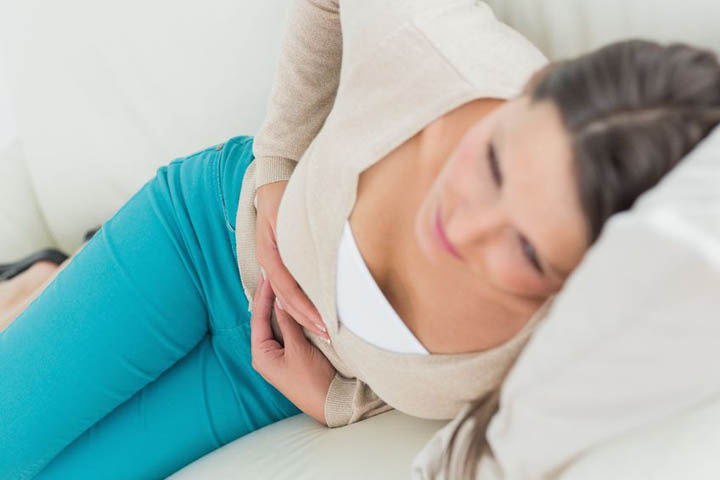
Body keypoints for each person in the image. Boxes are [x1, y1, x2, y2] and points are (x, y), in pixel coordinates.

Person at [1, 1, 719, 479]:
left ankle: (49, 275)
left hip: (261, 379)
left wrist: (344, 402)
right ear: (530, 89)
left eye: (526, 249)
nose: (463, 228)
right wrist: (280, 161)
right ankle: (54, 278)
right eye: (495, 162)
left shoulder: (553, 346)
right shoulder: (444, 51)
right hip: (202, 241)